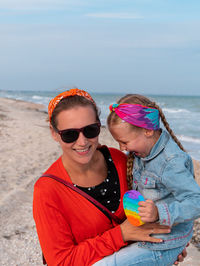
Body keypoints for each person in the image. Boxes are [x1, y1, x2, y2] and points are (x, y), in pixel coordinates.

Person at [33, 89, 187, 266]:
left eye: (90, 130)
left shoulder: (121, 161)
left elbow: (151, 210)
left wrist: (167, 245)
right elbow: (61, 262)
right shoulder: (47, 190)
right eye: (70, 134)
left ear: (99, 126)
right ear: (54, 133)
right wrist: (121, 234)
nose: (82, 142)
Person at [106, 93, 200, 265]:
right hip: (146, 231)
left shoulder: (171, 162)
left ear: (148, 130)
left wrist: (159, 212)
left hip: (165, 240)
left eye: (124, 142)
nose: (122, 148)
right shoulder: (141, 152)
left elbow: (196, 202)